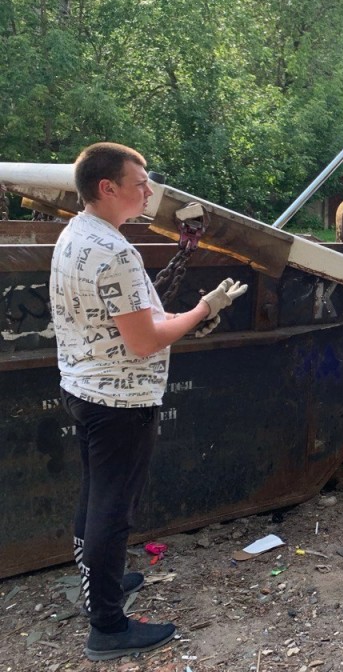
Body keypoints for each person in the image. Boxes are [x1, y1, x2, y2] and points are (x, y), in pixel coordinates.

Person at [49, 142, 248, 661]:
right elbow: (143, 341)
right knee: (113, 510)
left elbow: (129, 319)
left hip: (82, 387)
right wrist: (205, 307)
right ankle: (108, 626)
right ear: (106, 188)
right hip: (118, 400)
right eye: (140, 184)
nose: (149, 192)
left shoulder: (77, 232)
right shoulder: (113, 252)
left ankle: (99, 582)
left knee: (96, 495)